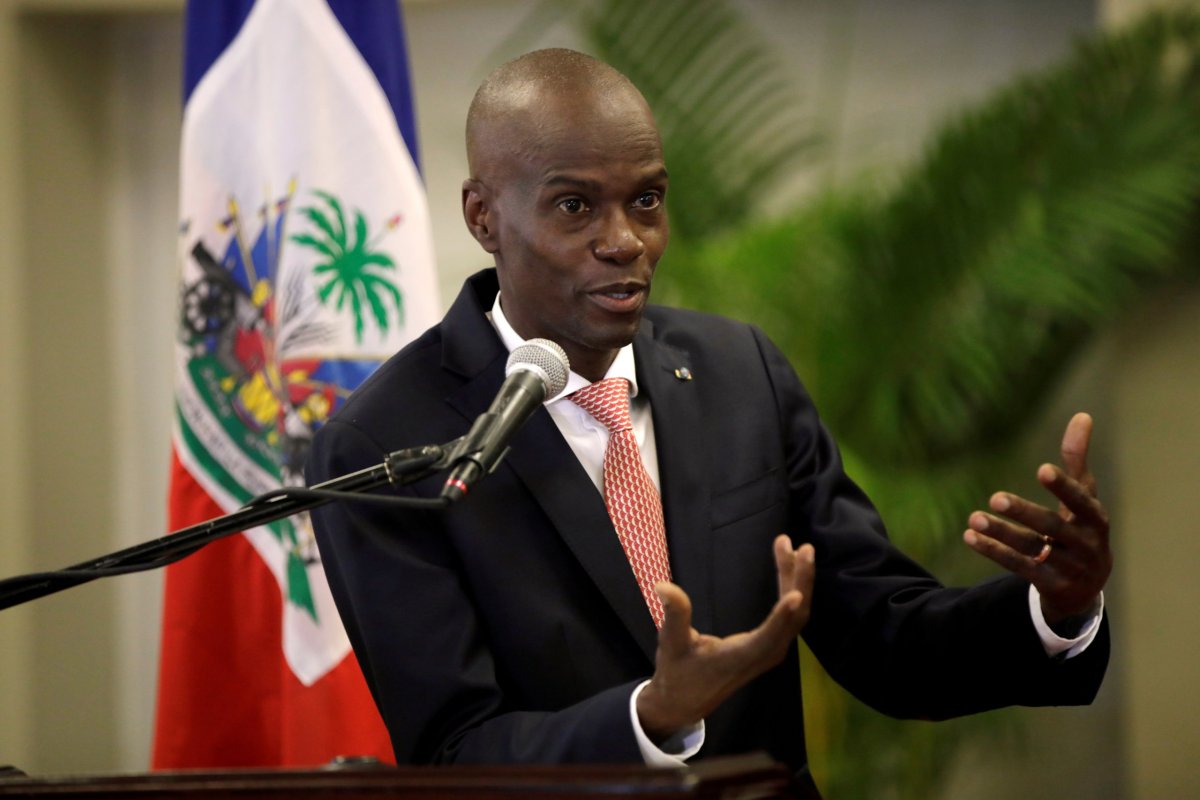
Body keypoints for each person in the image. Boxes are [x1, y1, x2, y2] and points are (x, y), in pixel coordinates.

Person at [307, 48, 1110, 793]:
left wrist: (1055, 610)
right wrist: (649, 716)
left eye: (646, 200)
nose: (624, 242)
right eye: (574, 205)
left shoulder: (740, 373)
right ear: (483, 217)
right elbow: (455, 753)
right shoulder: (385, 446)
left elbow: (884, 637)